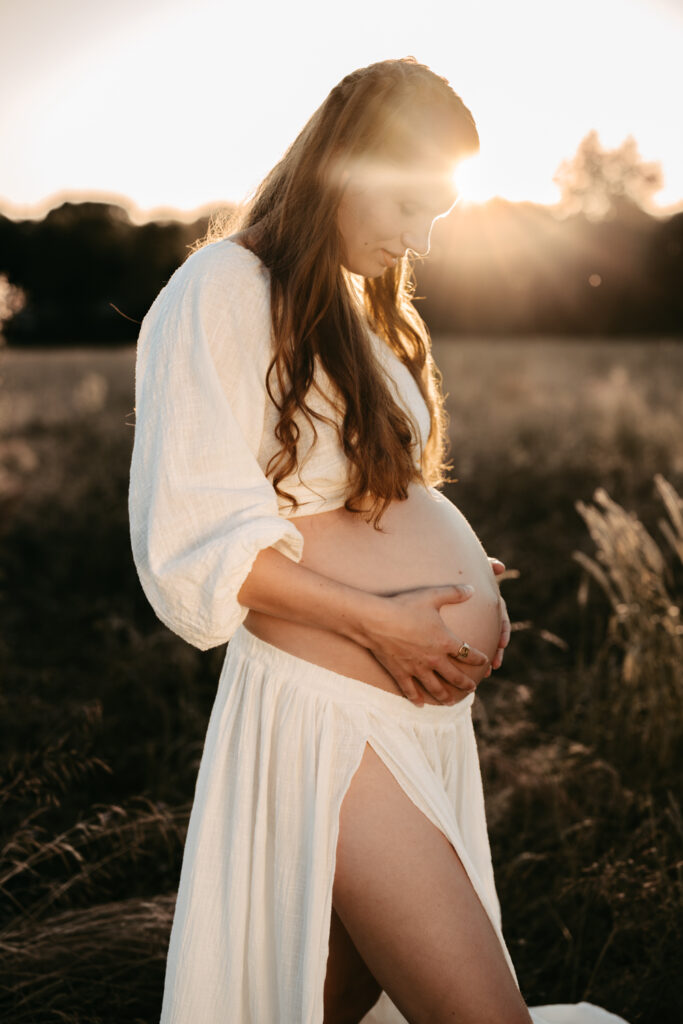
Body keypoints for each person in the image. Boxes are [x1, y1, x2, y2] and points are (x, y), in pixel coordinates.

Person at [128, 57, 630, 1024]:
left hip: (408, 705)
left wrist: (450, 575)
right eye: (407, 204)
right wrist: (383, 616)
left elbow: (352, 497)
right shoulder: (223, 287)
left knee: (333, 1008)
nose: (421, 237)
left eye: (439, 213)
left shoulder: (363, 308)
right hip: (331, 711)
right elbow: (192, 539)